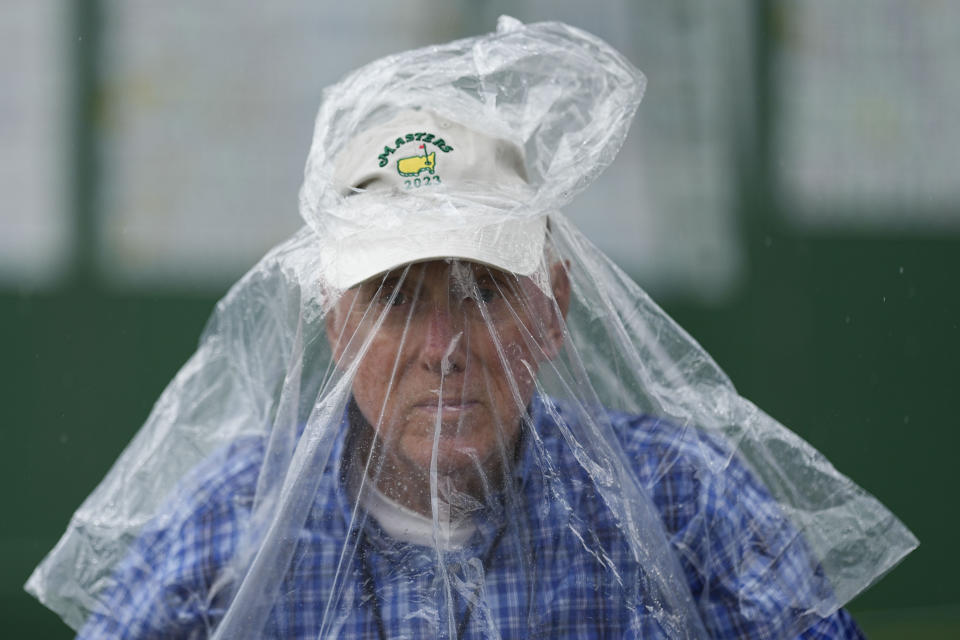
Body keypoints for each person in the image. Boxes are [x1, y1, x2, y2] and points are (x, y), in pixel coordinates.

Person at [27, 17, 915, 639]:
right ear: (336, 328)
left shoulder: (684, 505)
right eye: (395, 297)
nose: (443, 346)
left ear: (555, 306)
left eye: (483, 291)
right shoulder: (225, 530)